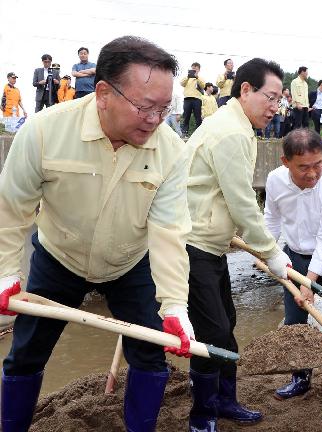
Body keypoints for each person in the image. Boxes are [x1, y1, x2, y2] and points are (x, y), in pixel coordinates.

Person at [0, 35, 194, 432]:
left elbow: (169, 229)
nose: (156, 119)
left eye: (164, 108)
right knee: (26, 354)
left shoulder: (171, 150)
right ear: (103, 93)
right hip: (59, 258)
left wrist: (174, 304)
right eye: (145, 107)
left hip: (130, 263)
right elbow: (11, 210)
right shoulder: (43, 132)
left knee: (151, 353)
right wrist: (5, 273)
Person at [185, 57, 292, 430]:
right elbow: (242, 201)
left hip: (212, 244)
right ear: (245, 89)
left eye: (280, 100)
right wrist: (273, 254)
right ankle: (202, 416)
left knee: (226, 323)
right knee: (211, 332)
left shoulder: (238, 126)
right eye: (271, 97)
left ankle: (225, 401)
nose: (275, 107)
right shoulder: (230, 132)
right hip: (192, 244)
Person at [264, 128, 322, 428]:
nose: (313, 173)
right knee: (294, 323)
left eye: (318, 163)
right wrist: (265, 250)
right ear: (285, 161)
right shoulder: (276, 180)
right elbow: (272, 218)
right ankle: (300, 378)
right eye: (304, 167)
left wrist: (310, 282)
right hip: (295, 258)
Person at [180, 62, 205, 136]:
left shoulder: (200, 78)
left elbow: (203, 85)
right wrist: (188, 76)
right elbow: (181, 83)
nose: (194, 70)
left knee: (198, 116)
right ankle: (184, 132)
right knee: (186, 116)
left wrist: (197, 77)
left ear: (199, 70)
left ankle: (199, 133)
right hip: (187, 98)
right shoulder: (187, 78)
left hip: (197, 99)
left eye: (195, 68)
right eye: (192, 68)